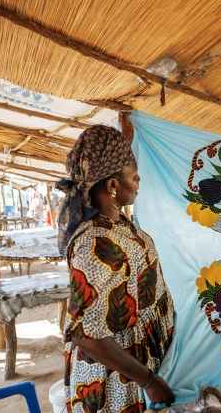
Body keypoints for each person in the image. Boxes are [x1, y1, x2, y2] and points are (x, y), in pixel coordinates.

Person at [57, 117, 175, 412]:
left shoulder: (117, 222)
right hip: (118, 381)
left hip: (139, 362)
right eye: (133, 175)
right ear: (111, 184)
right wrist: (148, 380)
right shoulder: (95, 244)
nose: (138, 180)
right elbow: (87, 337)